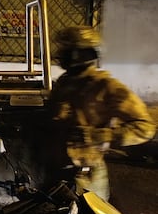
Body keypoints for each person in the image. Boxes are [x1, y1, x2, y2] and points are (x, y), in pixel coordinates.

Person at [48, 26, 156, 200]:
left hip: (85, 177)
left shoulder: (106, 86)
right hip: (54, 172)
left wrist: (100, 135)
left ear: (84, 54)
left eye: (68, 50)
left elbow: (145, 127)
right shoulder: (64, 83)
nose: (61, 54)